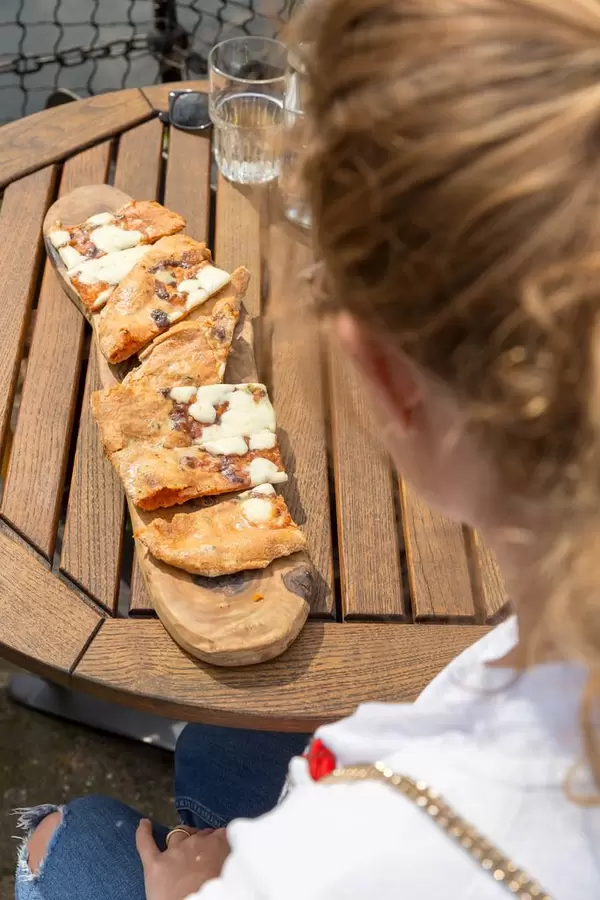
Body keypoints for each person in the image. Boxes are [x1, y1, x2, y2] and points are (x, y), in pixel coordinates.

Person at [15, 0, 600, 896]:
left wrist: (207, 887)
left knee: (71, 838)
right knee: (226, 745)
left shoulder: (360, 861)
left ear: (385, 373)